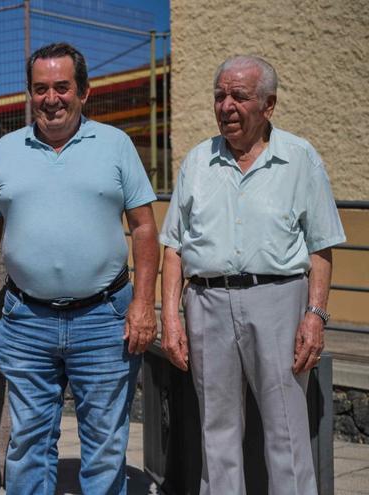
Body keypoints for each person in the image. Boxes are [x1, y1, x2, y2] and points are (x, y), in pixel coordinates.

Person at [0, 42, 159, 494]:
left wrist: (144, 305)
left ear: (84, 91)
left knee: (105, 442)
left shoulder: (116, 145)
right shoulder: (6, 151)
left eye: (61, 87)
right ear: (30, 94)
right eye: (40, 89)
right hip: (27, 319)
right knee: (29, 438)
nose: (51, 98)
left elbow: (145, 229)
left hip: (105, 317)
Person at [159, 55, 345, 495]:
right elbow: (173, 247)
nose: (226, 106)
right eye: (220, 96)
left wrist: (315, 315)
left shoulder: (300, 159)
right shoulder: (197, 161)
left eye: (239, 96)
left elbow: (321, 246)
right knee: (216, 430)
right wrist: (170, 317)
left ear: (269, 105)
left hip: (279, 299)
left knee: (286, 428)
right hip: (206, 303)